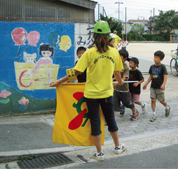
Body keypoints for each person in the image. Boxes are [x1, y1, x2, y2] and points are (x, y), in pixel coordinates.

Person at [50, 20, 125, 162]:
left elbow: (77, 72)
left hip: (91, 95)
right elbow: (117, 73)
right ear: (109, 37)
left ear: (94, 36)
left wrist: (60, 81)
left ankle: (99, 153)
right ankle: (117, 147)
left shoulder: (89, 53)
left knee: (95, 122)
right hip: (107, 94)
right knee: (111, 120)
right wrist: (120, 82)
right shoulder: (115, 53)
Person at [143, 50, 171, 122]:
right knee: (153, 100)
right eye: (154, 57)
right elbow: (150, 76)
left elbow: (165, 76)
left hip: (160, 87)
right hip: (153, 86)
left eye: (157, 58)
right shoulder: (152, 67)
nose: (155, 59)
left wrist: (163, 84)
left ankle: (167, 106)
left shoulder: (163, 67)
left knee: (161, 100)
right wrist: (146, 84)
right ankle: (154, 114)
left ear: (161, 59)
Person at [113, 49, 140, 121]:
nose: (118, 57)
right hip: (115, 89)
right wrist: (112, 79)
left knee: (128, 103)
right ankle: (111, 119)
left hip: (123, 90)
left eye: (120, 56)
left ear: (125, 58)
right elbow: (115, 75)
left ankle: (135, 112)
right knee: (114, 104)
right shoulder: (115, 65)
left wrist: (119, 81)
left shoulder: (125, 67)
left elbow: (125, 77)